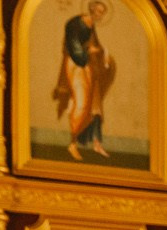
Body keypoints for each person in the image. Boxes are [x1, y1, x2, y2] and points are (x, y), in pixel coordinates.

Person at [52, 1, 113, 162]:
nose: (100, 15)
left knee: (94, 105)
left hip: (87, 67)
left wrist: (101, 53)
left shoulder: (92, 26)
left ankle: (94, 143)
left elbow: (95, 46)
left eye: (102, 12)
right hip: (76, 64)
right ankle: (72, 143)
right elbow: (73, 45)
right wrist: (87, 52)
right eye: (98, 11)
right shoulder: (76, 23)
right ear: (91, 9)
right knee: (82, 103)